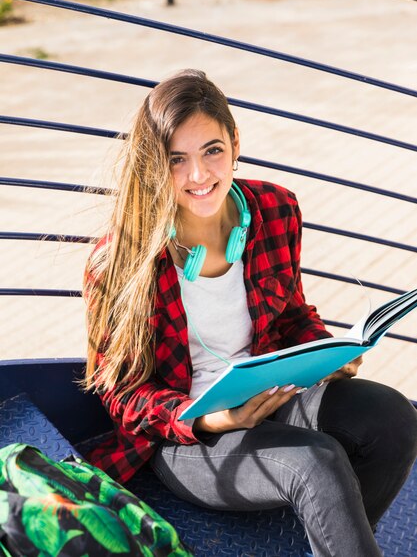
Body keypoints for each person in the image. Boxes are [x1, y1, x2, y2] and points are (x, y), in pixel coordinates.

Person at [83, 69, 417, 557]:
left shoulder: (274, 209)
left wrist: (327, 353)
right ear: (154, 164)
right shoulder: (121, 260)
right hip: (188, 438)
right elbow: (122, 396)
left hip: (271, 396)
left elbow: (291, 315)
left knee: (393, 415)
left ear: (235, 143)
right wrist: (213, 420)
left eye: (212, 151)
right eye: (177, 160)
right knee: (316, 461)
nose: (199, 176)